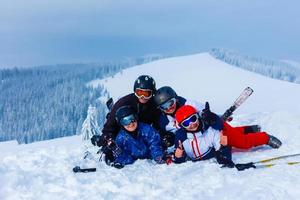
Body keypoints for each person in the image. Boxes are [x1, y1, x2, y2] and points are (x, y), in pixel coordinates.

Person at [173, 105, 282, 169]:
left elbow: (222, 149)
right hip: (219, 129)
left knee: (242, 142)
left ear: (198, 116)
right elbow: (179, 157)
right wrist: (178, 157)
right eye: (186, 123)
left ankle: (265, 137)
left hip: (220, 128)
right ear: (182, 126)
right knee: (234, 133)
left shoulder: (210, 129)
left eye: (193, 119)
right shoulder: (181, 137)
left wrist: (223, 152)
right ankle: (247, 129)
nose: (191, 124)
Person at [91, 75, 161, 149]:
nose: (142, 97)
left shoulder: (155, 105)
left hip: (142, 127)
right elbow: (110, 124)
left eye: (147, 94)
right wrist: (106, 137)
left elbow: (158, 125)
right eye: (139, 93)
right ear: (135, 91)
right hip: (125, 125)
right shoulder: (124, 102)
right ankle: (112, 109)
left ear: (152, 93)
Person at [106, 105, 170, 168]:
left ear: (136, 117)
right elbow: (125, 155)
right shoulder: (121, 138)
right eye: (125, 121)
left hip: (150, 155)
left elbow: (155, 144)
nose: (130, 124)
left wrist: (158, 156)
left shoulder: (147, 129)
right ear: (121, 124)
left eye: (131, 119)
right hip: (136, 160)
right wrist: (120, 160)